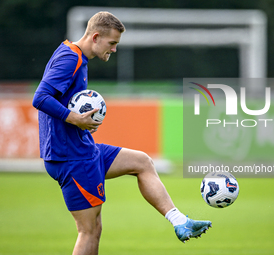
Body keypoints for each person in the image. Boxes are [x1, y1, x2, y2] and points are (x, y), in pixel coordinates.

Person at [32, 11, 211, 255]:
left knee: (142, 161)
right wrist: (75, 119)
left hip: (83, 150)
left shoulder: (72, 55)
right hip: (72, 158)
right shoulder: (69, 59)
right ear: (95, 37)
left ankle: (179, 220)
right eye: (112, 43)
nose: (114, 50)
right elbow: (40, 97)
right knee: (89, 230)